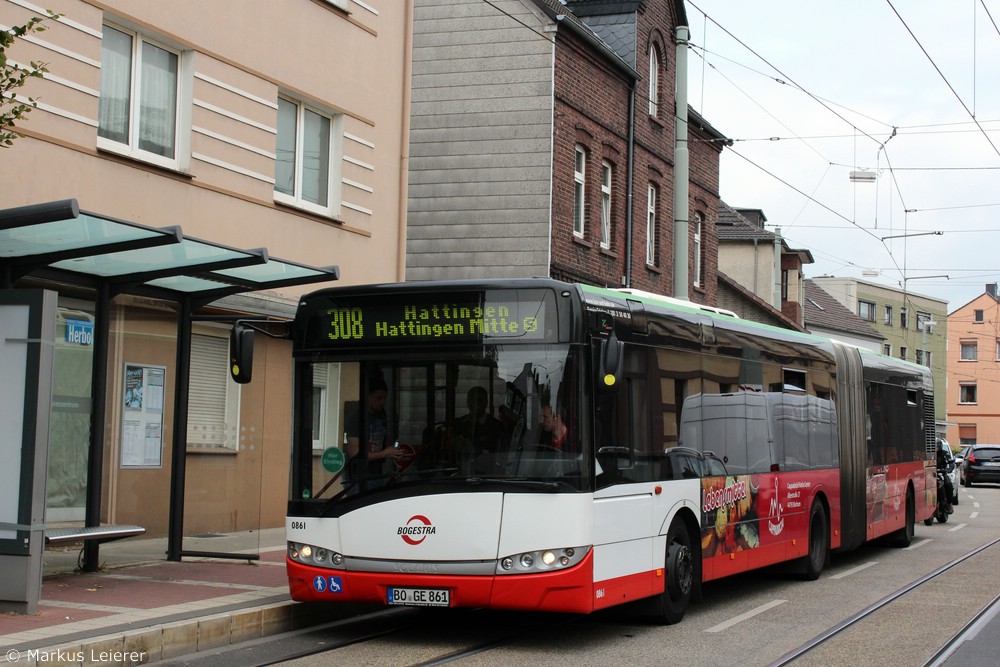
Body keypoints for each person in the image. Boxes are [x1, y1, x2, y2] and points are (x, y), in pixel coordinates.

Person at [345, 377, 403, 491]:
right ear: (367, 396)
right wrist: (384, 453)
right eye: (378, 398)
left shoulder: (381, 413)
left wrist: (394, 450)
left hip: (377, 473)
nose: (382, 402)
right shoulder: (356, 418)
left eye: (384, 398)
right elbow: (355, 454)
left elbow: (384, 438)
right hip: (358, 478)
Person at [454, 386, 502, 453]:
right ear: (467, 402)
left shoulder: (496, 426)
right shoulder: (457, 424)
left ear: (486, 402)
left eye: (479, 400)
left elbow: (497, 454)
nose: (475, 403)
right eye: (472, 399)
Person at [937, 439, 955, 514]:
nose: (935, 448)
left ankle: (949, 504)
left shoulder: (945, 453)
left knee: (948, 484)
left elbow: (950, 462)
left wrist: (948, 469)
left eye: (937, 446)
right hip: (930, 473)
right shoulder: (928, 454)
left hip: (942, 473)